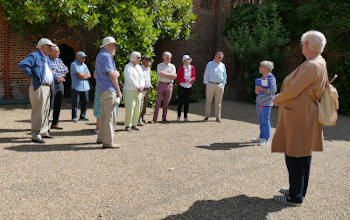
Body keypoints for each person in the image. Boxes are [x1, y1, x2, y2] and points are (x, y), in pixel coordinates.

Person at [272, 30, 328, 205]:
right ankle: (298, 190)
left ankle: (294, 196)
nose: (301, 46)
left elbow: (293, 89)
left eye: (303, 43)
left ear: (307, 45)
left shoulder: (312, 65)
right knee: (302, 153)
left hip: (299, 115)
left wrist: (277, 98)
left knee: (294, 154)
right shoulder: (319, 62)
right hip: (304, 113)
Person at [18, 38, 64, 143]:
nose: (51, 48)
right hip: (39, 87)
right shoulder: (35, 56)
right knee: (38, 111)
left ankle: (43, 132)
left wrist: (56, 77)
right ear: (42, 46)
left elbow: (48, 72)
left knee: (45, 110)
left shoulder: (46, 58)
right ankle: (35, 134)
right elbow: (23, 64)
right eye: (49, 46)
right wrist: (33, 76)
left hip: (47, 87)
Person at [95, 36, 122, 148]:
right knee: (110, 116)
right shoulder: (106, 56)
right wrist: (119, 91)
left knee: (104, 116)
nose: (114, 46)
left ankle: (101, 137)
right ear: (108, 45)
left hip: (102, 89)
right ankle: (108, 142)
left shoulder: (101, 55)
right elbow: (112, 75)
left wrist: (116, 73)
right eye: (113, 44)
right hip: (108, 90)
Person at [252, 61, 277, 146]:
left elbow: (274, 91)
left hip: (266, 104)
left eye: (261, 66)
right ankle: (261, 136)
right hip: (259, 102)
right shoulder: (263, 77)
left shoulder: (271, 78)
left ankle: (266, 139)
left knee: (265, 121)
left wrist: (262, 89)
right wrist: (257, 90)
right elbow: (259, 90)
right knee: (261, 121)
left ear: (266, 68)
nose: (259, 67)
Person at [123, 51, 145, 131]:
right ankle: (128, 125)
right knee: (130, 108)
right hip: (130, 91)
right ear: (133, 57)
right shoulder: (128, 67)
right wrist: (137, 87)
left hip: (139, 91)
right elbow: (129, 79)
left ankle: (134, 124)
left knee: (137, 108)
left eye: (140, 57)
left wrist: (142, 86)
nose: (139, 59)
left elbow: (142, 78)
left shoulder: (139, 67)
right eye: (138, 57)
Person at [153, 51, 177, 123]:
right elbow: (160, 74)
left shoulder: (172, 66)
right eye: (168, 57)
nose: (169, 59)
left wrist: (165, 75)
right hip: (161, 84)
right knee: (158, 102)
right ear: (164, 58)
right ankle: (155, 118)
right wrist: (170, 76)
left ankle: (164, 118)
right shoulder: (159, 65)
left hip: (169, 85)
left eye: (170, 58)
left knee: (166, 102)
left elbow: (174, 77)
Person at [48, 45, 68, 130]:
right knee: (49, 105)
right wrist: (57, 75)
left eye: (58, 51)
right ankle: (45, 125)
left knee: (58, 104)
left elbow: (65, 71)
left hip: (60, 84)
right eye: (56, 51)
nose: (58, 53)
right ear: (51, 52)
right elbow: (48, 72)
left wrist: (57, 73)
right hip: (51, 84)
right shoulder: (47, 61)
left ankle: (55, 123)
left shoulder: (59, 61)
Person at [203, 51, 227, 122]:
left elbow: (225, 75)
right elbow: (206, 74)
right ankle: (207, 116)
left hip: (220, 85)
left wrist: (223, 84)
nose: (221, 59)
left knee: (218, 102)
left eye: (221, 58)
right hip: (210, 84)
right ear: (215, 57)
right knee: (208, 101)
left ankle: (218, 117)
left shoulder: (222, 65)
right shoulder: (210, 64)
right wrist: (207, 83)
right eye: (219, 57)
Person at [70, 51, 91, 122]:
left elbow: (89, 75)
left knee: (85, 101)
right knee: (75, 103)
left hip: (85, 87)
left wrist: (83, 75)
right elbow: (80, 75)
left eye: (84, 57)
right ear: (77, 57)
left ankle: (82, 116)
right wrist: (84, 75)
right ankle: (74, 117)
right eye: (82, 57)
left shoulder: (84, 65)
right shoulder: (74, 64)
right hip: (76, 87)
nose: (84, 58)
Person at [176, 55, 196, 122]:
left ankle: (185, 117)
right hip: (182, 86)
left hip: (189, 87)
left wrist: (191, 79)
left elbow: (194, 77)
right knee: (180, 102)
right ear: (184, 61)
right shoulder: (181, 68)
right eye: (187, 59)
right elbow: (178, 78)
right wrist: (184, 80)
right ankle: (178, 116)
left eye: (189, 59)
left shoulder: (192, 67)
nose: (188, 60)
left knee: (187, 102)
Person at [138, 55, 153, 125]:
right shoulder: (140, 68)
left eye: (149, 60)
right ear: (143, 61)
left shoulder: (148, 68)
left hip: (147, 89)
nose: (148, 61)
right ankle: (138, 119)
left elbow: (148, 78)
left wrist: (150, 85)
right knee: (140, 105)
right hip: (142, 89)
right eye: (147, 60)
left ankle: (142, 117)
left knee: (145, 105)